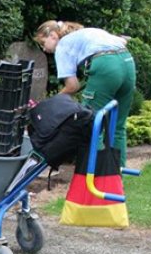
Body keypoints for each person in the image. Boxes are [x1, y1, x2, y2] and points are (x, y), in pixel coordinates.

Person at [34, 20, 135, 167]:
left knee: (92, 124)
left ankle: (96, 178)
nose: (44, 49)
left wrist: (52, 103)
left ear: (53, 35)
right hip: (127, 61)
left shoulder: (62, 45)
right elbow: (122, 41)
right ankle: (116, 179)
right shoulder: (86, 33)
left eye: (43, 43)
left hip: (106, 64)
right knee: (118, 126)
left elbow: (72, 86)